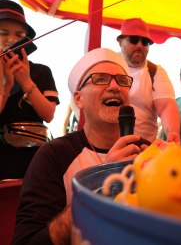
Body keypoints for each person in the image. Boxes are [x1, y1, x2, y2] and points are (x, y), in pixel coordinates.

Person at [13, 48, 146, 245]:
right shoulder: (54, 156)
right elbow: (27, 241)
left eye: (122, 80)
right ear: (78, 99)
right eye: (100, 78)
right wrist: (103, 186)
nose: (114, 86)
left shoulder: (147, 152)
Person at [0, 0, 59, 179]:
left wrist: (25, 81)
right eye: (3, 33)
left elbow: (48, 114)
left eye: (19, 34)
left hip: (35, 159)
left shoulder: (42, 71)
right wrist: (6, 85)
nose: (12, 39)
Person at [117, 18, 180, 143]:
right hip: (105, 149)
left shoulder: (155, 72)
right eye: (134, 40)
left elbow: (166, 105)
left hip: (142, 152)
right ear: (120, 41)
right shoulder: (107, 64)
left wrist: (173, 132)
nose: (139, 45)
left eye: (145, 42)